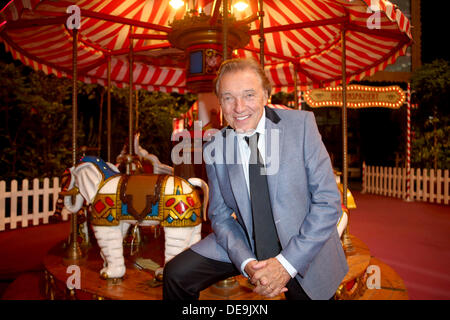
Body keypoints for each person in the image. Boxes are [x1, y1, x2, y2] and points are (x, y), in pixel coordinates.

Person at [163, 58, 348, 300]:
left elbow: (327, 202)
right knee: (176, 274)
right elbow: (219, 216)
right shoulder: (216, 147)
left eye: (249, 95)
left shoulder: (301, 126)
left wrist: (285, 264)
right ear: (220, 102)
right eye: (229, 97)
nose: (239, 107)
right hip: (246, 241)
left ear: (265, 95)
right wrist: (246, 261)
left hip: (300, 241)